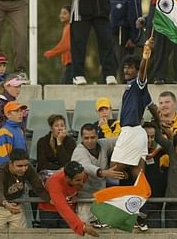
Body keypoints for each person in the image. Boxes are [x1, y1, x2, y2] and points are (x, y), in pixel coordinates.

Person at [110, 38, 156, 183]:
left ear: (136, 71)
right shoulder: (136, 90)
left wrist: (146, 52)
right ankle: (142, 201)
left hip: (130, 131)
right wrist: (161, 124)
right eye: (125, 67)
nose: (126, 70)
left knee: (111, 171)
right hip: (138, 133)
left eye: (130, 67)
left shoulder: (138, 84)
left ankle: (105, 202)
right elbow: (152, 106)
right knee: (139, 176)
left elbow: (143, 70)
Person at [70, 123, 123, 225]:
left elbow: (120, 140)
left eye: (92, 137)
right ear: (82, 138)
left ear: (97, 136)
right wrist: (103, 172)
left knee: (104, 229)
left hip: (101, 198)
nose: (90, 141)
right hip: (84, 199)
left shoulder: (103, 144)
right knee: (86, 229)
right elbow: (86, 166)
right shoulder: (79, 151)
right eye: (86, 138)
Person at [0, 148, 50, 229]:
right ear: (11, 163)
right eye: (19, 166)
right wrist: (5, 203)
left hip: (17, 206)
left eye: (26, 165)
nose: (23, 169)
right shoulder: (0, 171)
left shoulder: (28, 169)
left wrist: (51, 199)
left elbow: (38, 187)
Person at [38, 161, 99, 237]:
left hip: (69, 210)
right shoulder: (55, 183)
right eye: (78, 180)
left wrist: (76, 194)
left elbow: (78, 183)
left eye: (83, 179)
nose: (82, 183)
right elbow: (63, 208)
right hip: (49, 212)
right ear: (67, 178)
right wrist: (82, 227)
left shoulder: (83, 175)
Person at [109, 0, 142, 81]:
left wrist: (134, 38)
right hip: (109, 33)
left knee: (124, 65)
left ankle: (125, 88)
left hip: (124, 34)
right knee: (110, 63)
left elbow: (136, 16)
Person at [0, 75, 27, 169]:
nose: (18, 90)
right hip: (3, 141)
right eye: (16, 86)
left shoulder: (13, 101)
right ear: (7, 86)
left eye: (19, 87)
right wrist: (10, 128)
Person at [142, 122, 168, 228]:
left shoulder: (161, 154)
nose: (150, 140)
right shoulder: (133, 154)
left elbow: (172, 143)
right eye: (147, 136)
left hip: (156, 205)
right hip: (138, 205)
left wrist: (156, 151)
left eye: (152, 137)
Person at [43, 5, 73, 84]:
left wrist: (51, 53)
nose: (61, 16)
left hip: (71, 64)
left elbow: (65, 45)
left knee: (65, 89)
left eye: (64, 13)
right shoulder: (67, 27)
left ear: (71, 14)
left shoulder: (69, 27)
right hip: (68, 64)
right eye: (61, 13)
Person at [0, 101, 27, 166]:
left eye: (21, 111)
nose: (20, 114)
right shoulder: (3, 133)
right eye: (16, 111)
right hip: (9, 172)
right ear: (8, 114)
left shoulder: (20, 131)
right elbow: (1, 159)